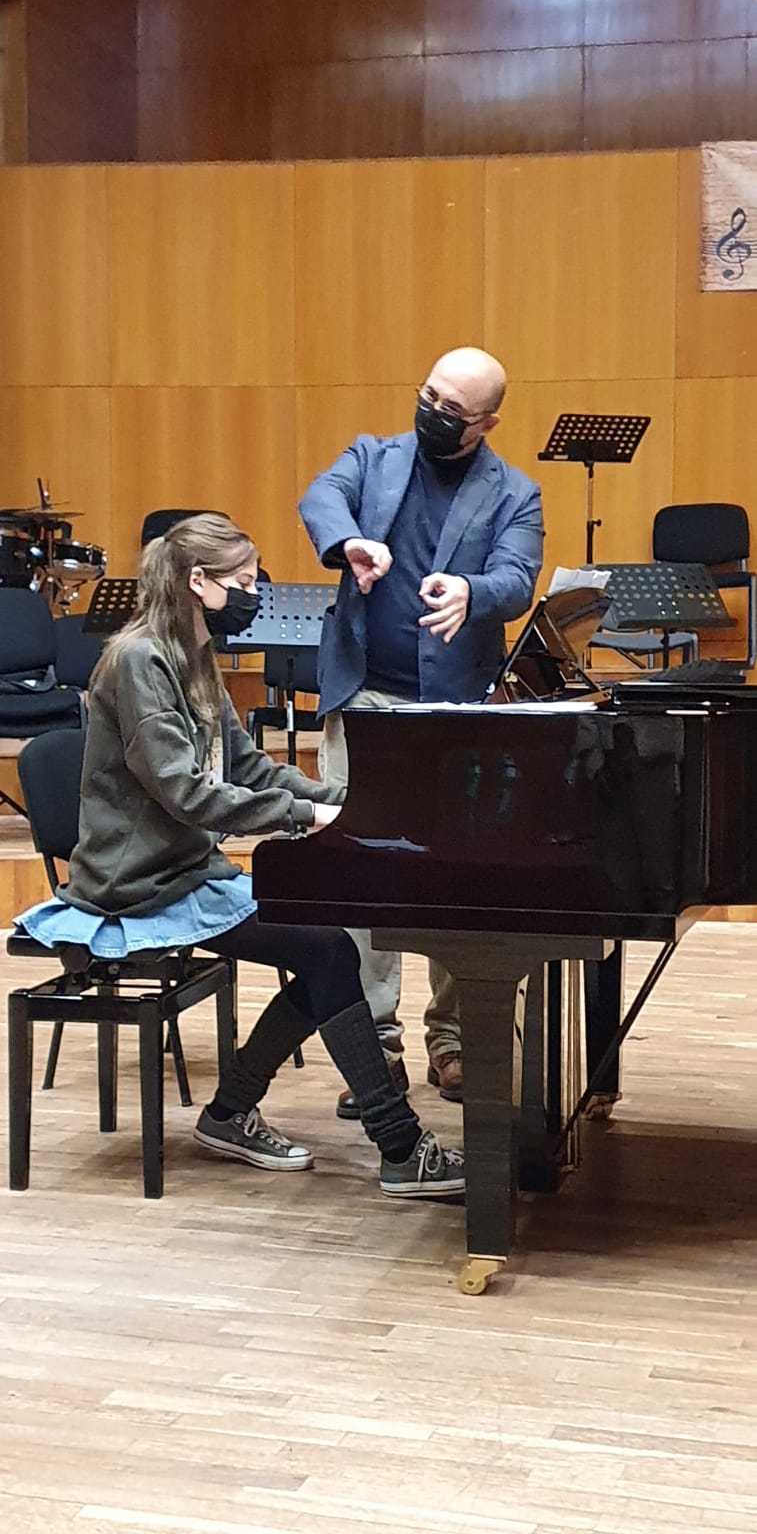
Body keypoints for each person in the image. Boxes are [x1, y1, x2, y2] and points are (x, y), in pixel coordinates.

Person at [15, 513, 464, 1201]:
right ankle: (394, 1145)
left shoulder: (193, 656)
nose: (255, 595)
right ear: (198, 581)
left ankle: (235, 1114)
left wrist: (351, 800)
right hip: (136, 885)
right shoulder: (139, 660)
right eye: (245, 583)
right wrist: (305, 816)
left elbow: (251, 768)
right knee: (326, 952)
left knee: (326, 951)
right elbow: (185, 792)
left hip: (187, 871)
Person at [299, 346, 544, 1116]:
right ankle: (373, 1050)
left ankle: (455, 1040)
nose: (433, 414)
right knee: (362, 874)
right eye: (429, 397)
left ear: (486, 423)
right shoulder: (371, 457)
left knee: (453, 875)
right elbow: (320, 496)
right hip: (364, 699)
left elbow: (517, 578)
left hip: (454, 709)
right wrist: (348, 543)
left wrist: (472, 590)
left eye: (453, 410)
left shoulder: (516, 492)